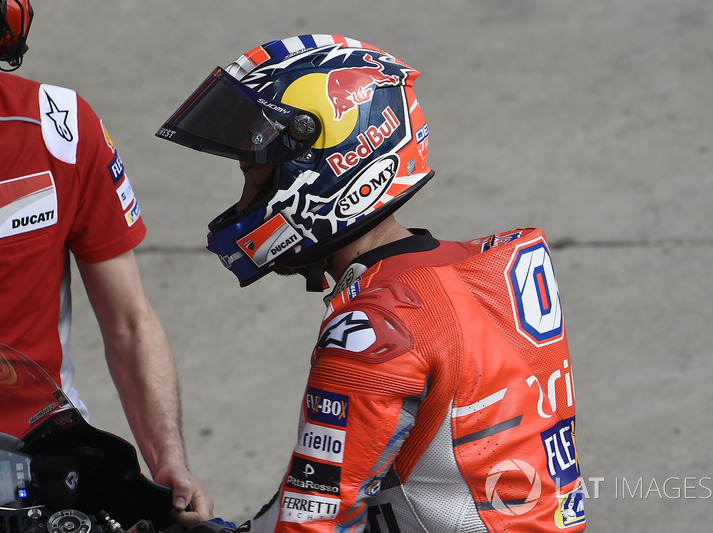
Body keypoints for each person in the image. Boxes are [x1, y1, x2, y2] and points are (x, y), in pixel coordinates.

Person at [157, 34, 586, 532]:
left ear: (322, 169)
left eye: (254, 173)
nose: (246, 199)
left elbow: (311, 523)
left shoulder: (375, 329)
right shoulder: (491, 272)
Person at [0, 0, 212, 524]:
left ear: (8, 31)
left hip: (45, 449)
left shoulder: (60, 127)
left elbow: (128, 321)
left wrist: (166, 457)